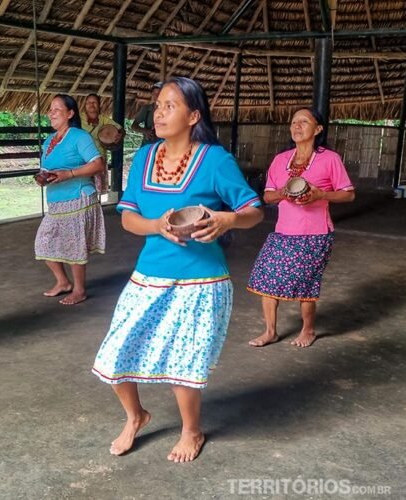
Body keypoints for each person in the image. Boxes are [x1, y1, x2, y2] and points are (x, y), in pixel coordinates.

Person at [92, 77, 263, 461]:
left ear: (194, 115)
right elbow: (129, 219)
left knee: (181, 361)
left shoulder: (215, 160)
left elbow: (253, 211)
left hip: (200, 280)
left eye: (171, 106)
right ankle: (136, 416)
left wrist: (226, 221)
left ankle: (192, 431)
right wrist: (157, 226)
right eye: (158, 106)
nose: (160, 113)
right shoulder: (145, 158)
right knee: (115, 353)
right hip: (148, 275)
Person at [247, 107, 355, 348]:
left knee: (305, 282)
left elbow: (348, 195)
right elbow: (267, 197)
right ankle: (270, 331)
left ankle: (308, 330)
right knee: (266, 278)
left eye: (304, 122)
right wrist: (284, 193)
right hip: (283, 231)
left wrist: (320, 195)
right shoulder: (280, 160)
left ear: (317, 129)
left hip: (315, 234)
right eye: (294, 122)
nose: (297, 126)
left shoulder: (330, 159)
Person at [35, 94, 106, 305]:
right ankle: (63, 283)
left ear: (70, 113)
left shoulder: (79, 136)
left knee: (75, 246)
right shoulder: (49, 140)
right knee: (43, 242)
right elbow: (49, 168)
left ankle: (79, 290)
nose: (51, 113)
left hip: (79, 198)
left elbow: (98, 164)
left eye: (57, 109)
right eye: (50, 109)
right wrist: (44, 178)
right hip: (57, 201)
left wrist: (70, 174)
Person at [81, 93, 125, 193]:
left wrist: (119, 135)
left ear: (99, 105)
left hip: (99, 158)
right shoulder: (79, 118)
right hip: (82, 159)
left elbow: (121, 129)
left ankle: (96, 207)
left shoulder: (103, 119)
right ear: (85, 105)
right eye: (88, 102)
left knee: (97, 191)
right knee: (83, 190)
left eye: (94, 102)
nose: (91, 105)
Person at [130, 81, 163, 146]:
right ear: (152, 94)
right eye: (154, 93)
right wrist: (146, 131)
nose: (156, 96)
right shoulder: (146, 109)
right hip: (148, 145)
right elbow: (134, 126)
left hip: (164, 146)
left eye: (159, 93)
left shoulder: (169, 111)